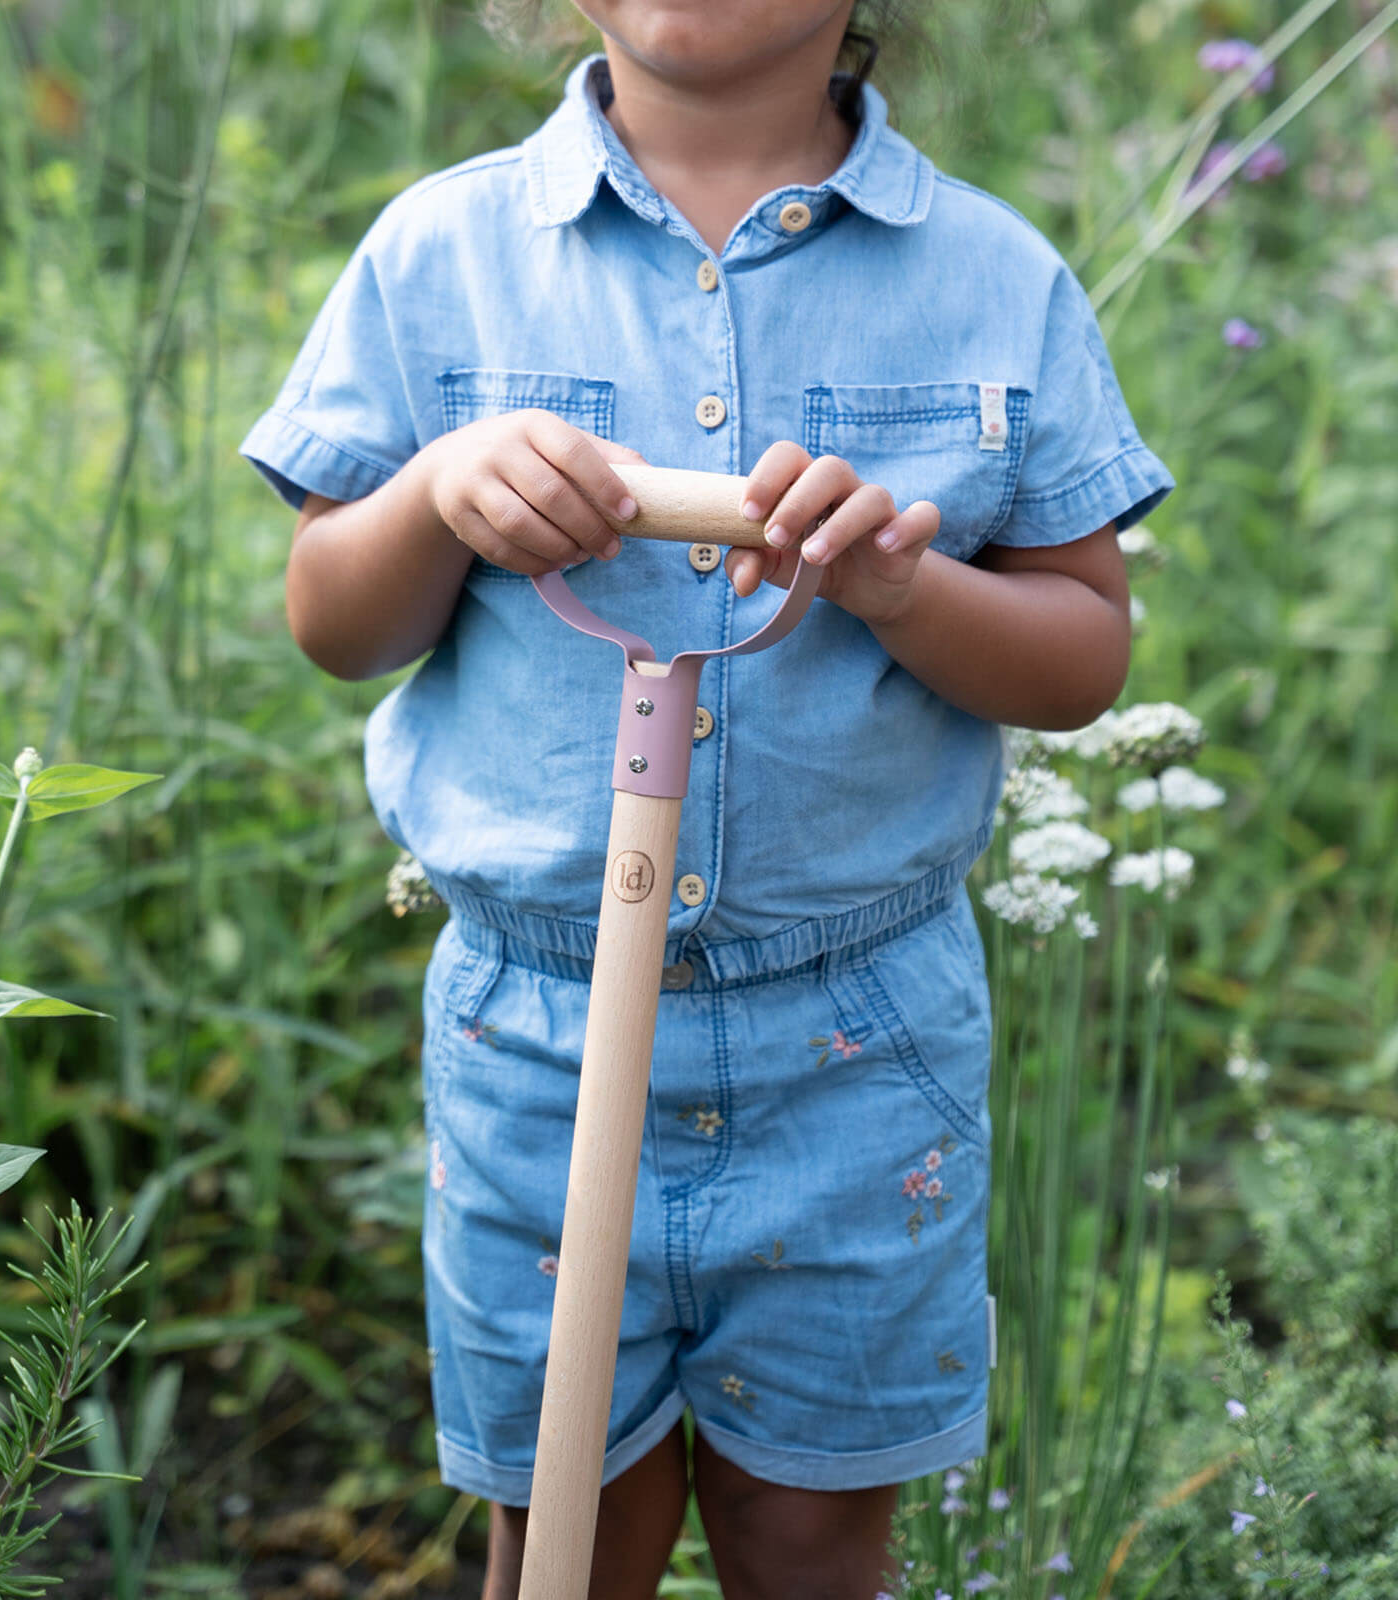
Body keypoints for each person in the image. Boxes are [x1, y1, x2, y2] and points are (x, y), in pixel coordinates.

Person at [239, 2, 1174, 1594]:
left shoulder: (994, 281)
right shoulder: (443, 251)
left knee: (811, 1524)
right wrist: (442, 492)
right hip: (533, 1038)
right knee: (564, 1520)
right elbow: (336, 619)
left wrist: (900, 588)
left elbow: (1081, 654)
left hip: (860, 1039)